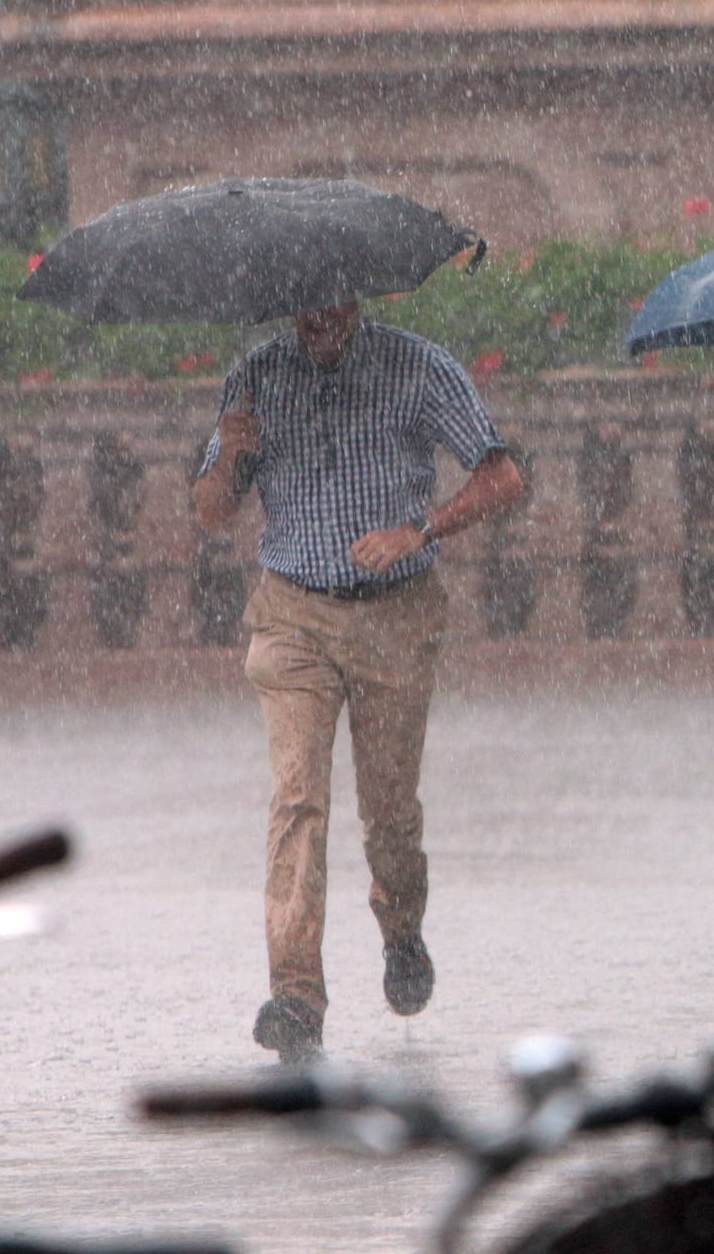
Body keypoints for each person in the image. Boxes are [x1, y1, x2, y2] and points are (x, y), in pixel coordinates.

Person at [193, 301, 524, 1064]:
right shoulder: (256, 376)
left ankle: (400, 925)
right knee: (297, 799)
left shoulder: (419, 365)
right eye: (309, 303)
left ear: (360, 297)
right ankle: (296, 996)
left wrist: (423, 530)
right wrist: (225, 456)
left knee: (390, 810)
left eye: (336, 300)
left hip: (397, 614)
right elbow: (212, 513)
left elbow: (502, 476)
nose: (322, 319)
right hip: (292, 613)